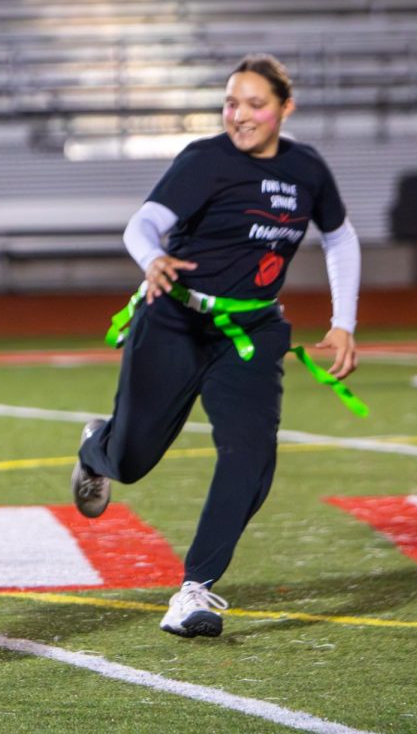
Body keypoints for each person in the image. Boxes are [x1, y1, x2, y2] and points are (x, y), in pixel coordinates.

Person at [72, 54, 360, 638]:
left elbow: (340, 237)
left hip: (252, 333)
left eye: (256, 103)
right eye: (232, 103)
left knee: (251, 456)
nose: (241, 115)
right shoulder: (204, 159)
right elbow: (142, 225)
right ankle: (96, 448)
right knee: (132, 459)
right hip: (175, 320)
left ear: (285, 107)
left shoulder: (307, 167)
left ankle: (194, 590)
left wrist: (343, 321)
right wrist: (152, 258)